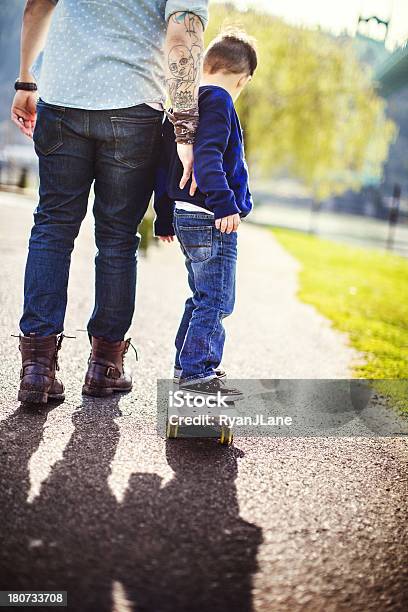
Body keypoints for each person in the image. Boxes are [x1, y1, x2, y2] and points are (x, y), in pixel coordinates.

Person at [11, 0, 208, 404]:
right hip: (133, 105)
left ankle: (37, 367)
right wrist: (185, 130)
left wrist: (26, 80)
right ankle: (105, 367)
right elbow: (182, 36)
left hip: (63, 95)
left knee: (52, 227)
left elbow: (37, 6)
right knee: (117, 239)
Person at [154, 29, 257, 398]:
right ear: (243, 78)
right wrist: (226, 203)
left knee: (200, 296)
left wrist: (164, 216)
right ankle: (199, 372)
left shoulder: (183, 103)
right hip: (211, 218)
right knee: (216, 299)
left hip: (185, 215)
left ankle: (186, 366)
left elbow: (165, 167)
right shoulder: (219, 101)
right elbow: (209, 157)